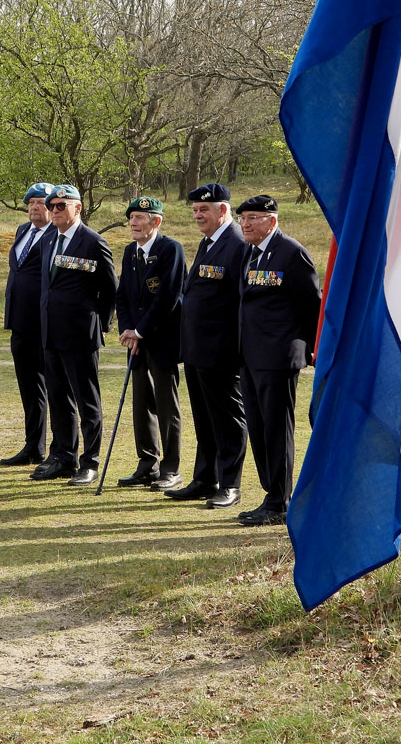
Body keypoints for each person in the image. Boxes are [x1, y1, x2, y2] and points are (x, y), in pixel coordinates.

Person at [235, 194, 321, 527]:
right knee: (257, 427)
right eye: (242, 219)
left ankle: (280, 501)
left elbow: (311, 305)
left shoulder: (291, 251)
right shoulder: (249, 252)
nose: (245, 224)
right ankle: (271, 494)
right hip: (250, 355)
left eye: (252, 218)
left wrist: (311, 349)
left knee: (276, 429)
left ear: (271, 220)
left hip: (278, 356)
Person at [166, 183, 252, 509]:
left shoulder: (238, 244)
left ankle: (229, 484)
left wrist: (237, 349)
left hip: (223, 352)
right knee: (204, 419)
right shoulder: (207, 243)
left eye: (205, 209)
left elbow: (243, 303)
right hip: (198, 350)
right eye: (195, 211)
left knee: (228, 420)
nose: (198, 215)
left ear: (223, 210)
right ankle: (205, 478)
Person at [31, 184, 117, 486]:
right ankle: (63, 456)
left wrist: (101, 324)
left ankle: (89, 462)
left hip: (80, 333)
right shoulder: (48, 240)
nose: (54, 210)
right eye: (51, 205)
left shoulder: (93, 242)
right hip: (51, 332)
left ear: (77, 208)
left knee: (86, 400)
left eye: (61, 206)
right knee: (57, 397)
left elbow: (109, 289)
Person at [113, 196, 186, 489]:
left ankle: (171, 468)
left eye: (141, 217)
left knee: (167, 405)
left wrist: (140, 331)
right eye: (131, 217)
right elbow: (123, 295)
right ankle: (147, 464)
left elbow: (168, 297)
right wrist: (127, 329)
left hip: (162, 339)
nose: (133, 222)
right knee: (141, 402)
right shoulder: (131, 252)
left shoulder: (171, 249)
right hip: (137, 340)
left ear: (156, 221)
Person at [0, 183, 57, 466]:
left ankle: (57, 450)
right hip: (20, 320)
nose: (36, 207)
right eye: (32, 202)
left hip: (45, 322)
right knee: (29, 387)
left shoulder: (56, 235)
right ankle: (32, 445)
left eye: (42, 202)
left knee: (52, 387)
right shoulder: (24, 231)